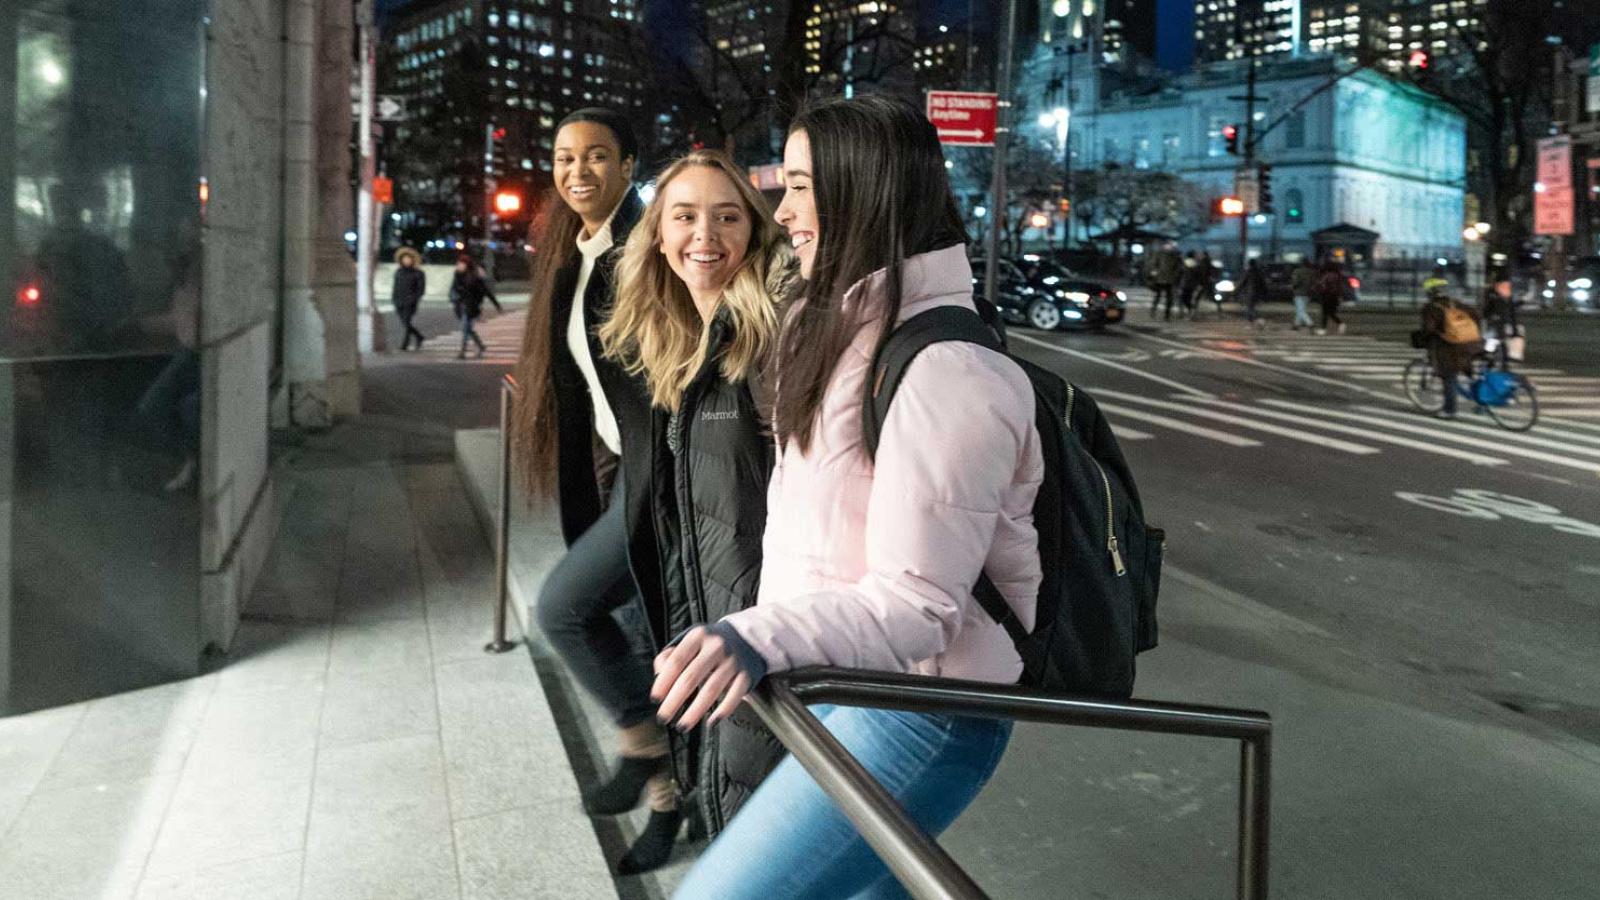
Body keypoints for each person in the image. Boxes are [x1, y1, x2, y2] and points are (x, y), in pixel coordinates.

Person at [655, 95, 1044, 899]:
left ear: (862, 188)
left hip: (919, 711)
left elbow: (921, 604)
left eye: (801, 185)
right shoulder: (833, 327)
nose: (783, 208)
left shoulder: (949, 371)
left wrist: (754, 635)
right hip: (843, 686)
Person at [598, 149, 794, 867]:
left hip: (764, 635)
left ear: (754, 231)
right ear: (657, 233)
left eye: (726, 215)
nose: (703, 234)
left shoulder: (769, 337)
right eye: (684, 216)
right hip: (708, 617)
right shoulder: (676, 335)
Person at [508, 108, 675, 872]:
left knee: (562, 609)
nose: (578, 172)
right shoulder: (573, 251)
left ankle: (642, 743)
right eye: (565, 158)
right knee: (644, 640)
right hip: (615, 475)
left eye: (598, 157)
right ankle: (673, 802)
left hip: (658, 478)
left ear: (629, 163)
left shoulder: (649, 248)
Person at [450, 253, 500, 358]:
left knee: (465, 328)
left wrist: (496, 305)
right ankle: (480, 345)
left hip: (472, 306)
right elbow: (453, 288)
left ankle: (462, 352)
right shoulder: (457, 274)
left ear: (467, 265)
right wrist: (453, 299)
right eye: (458, 263)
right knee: (467, 329)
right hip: (461, 305)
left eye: (462, 264)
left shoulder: (474, 277)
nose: (459, 266)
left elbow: (486, 291)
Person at [1481, 272, 1521, 366]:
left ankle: (1493, 359)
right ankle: (1492, 358)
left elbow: (1511, 311)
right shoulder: (1496, 294)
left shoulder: (1498, 294)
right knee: (1495, 341)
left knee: (1496, 342)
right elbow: (1511, 311)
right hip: (1498, 323)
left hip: (1500, 323)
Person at [392, 246, 427, 350]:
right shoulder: (398, 272)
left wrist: (414, 299)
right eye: (404, 259)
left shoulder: (418, 273)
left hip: (410, 302)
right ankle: (419, 336)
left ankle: (405, 344)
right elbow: (395, 286)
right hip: (398, 300)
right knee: (404, 322)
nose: (406, 261)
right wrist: (393, 298)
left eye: (408, 259)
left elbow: (421, 289)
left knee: (406, 322)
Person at [1311, 257, 1346, 335]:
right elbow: (1340, 288)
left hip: (1327, 296)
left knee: (1325, 313)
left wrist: (1317, 289)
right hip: (1335, 297)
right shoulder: (1338, 275)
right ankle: (1340, 324)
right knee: (1330, 313)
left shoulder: (1328, 276)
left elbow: (1322, 285)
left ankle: (1324, 329)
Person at [1148, 244, 1181, 319]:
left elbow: (1154, 265)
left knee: (1160, 296)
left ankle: (1160, 312)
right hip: (1165, 279)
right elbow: (1154, 265)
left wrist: (1154, 274)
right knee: (1165, 297)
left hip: (1163, 279)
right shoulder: (1174, 255)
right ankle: (1163, 314)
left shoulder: (1163, 254)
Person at [1289, 257, 1317, 330]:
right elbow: (1313, 283)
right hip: (1307, 293)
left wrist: (1292, 287)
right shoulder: (1311, 272)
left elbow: (1295, 282)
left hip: (1299, 293)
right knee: (1300, 309)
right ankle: (1296, 324)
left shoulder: (1297, 271)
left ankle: (1310, 323)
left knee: (1301, 311)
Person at [1240, 258, 1267, 328]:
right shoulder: (1259, 272)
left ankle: (1255, 322)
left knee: (1249, 309)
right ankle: (1257, 322)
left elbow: (1243, 282)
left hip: (1250, 293)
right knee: (1252, 308)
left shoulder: (1248, 272)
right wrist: (1264, 293)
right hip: (1257, 293)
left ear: (1249, 264)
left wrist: (1236, 291)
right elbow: (1263, 283)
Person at [1175, 250, 1201, 320]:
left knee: (1182, 299)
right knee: (1189, 299)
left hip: (1184, 284)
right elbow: (1198, 276)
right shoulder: (1197, 265)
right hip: (1192, 285)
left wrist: (1177, 283)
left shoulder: (1183, 264)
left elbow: (1178, 275)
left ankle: (1184, 313)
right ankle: (1190, 312)